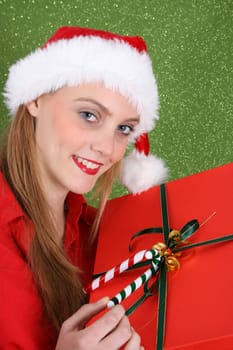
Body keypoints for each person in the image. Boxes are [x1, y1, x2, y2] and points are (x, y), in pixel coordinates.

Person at [0, 26, 167, 349]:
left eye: (123, 128)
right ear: (35, 98)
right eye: (89, 115)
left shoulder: (110, 240)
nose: (107, 148)